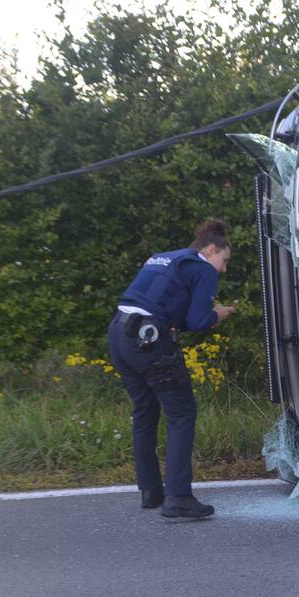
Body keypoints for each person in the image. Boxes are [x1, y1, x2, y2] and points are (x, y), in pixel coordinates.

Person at [108, 218, 236, 519]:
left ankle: (151, 491)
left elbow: (161, 299)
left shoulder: (162, 257)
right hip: (148, 339)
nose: (223, 269)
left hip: (118, 332)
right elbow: (198, 321)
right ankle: (178, 496)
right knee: (182, 413)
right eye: (224, 260)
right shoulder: (203, 267)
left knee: (145, 411)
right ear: (209, 250)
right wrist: (218, 313)